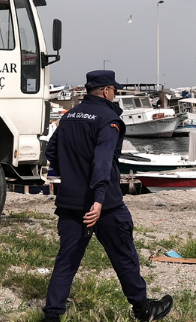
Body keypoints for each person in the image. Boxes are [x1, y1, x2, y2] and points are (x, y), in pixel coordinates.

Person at [43, 70, 172, 322]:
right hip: (105, 205)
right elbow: (102, 162)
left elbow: (51, 150)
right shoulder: (108, 119)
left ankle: (52, 315)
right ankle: (143, 309)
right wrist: (99, 199)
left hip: (70, 201)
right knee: (123, 255)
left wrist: (72, 176)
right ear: (106, 91)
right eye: (114, 90)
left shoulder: (69, 116)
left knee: (67, 260)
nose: (115, 94)